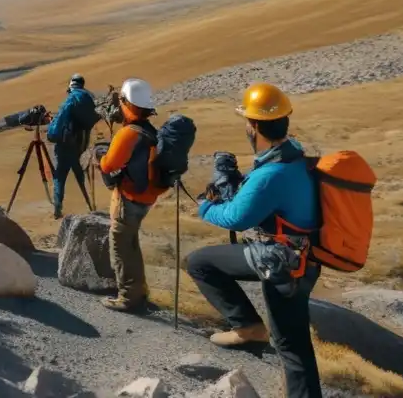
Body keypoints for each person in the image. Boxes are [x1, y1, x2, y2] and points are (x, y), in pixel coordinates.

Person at [185, 82, 322, 398]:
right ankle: (249, 328)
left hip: (283, 263)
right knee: (294, 339)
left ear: (256, 126)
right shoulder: (294, 156)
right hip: (301, 257)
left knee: (290, 343)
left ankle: (250, 329)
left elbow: (236, 218)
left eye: (247, 121)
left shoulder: (271, 173)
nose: (246, 127)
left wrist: (206, 206)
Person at [96, 78, 168, 313]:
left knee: (121, 247)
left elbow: (108, 165)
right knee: (131, 243)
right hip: (146, 197)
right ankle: (139, 290)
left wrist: (101, 153)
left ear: (127, 103)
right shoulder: (149, 131)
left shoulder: (129, 133)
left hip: (129, 199)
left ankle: (128, 297)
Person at [46, 73, 98, 219]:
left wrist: (51, 134)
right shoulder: (89, 98)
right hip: (81, 143)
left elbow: (61, 118)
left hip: (66, 144)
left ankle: (57, 209)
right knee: (79, 172)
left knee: (60, 176)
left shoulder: (71, 99)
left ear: (70, 86)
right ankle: (90, 204)